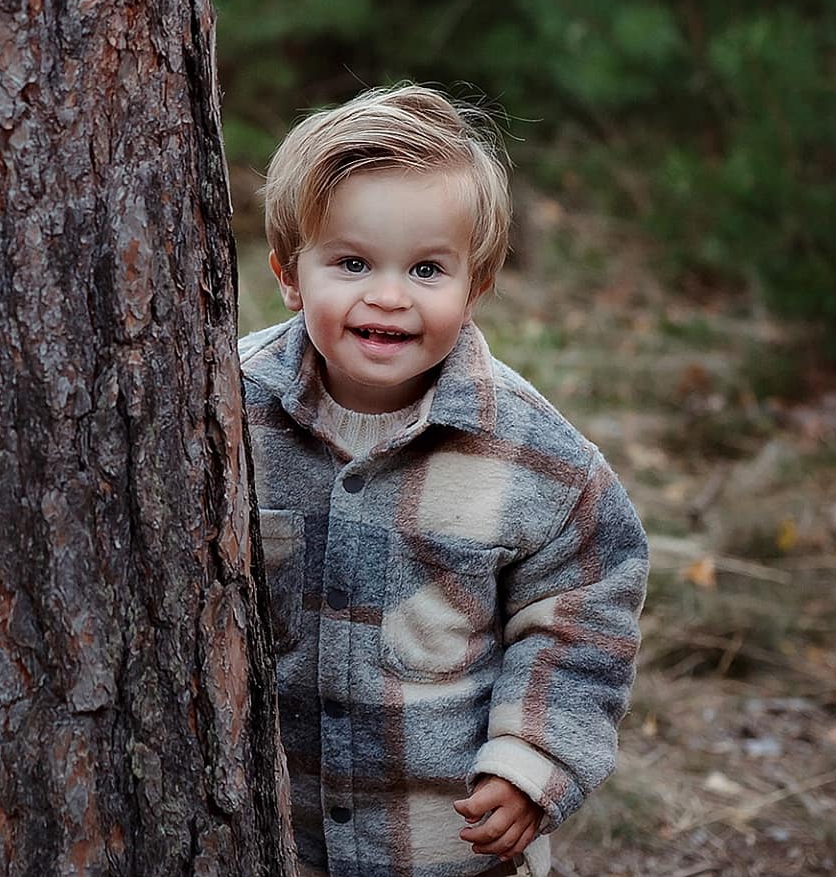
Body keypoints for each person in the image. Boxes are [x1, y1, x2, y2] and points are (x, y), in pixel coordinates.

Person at [239, 83, 648, 877]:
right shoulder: (227, 411)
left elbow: (584, 611)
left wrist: (532, 759)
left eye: (427, 268)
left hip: (444, 848)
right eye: (351, 261)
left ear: (477, 285)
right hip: (279, 841)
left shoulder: (533, 455)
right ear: (290, 274)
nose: (388, 295)